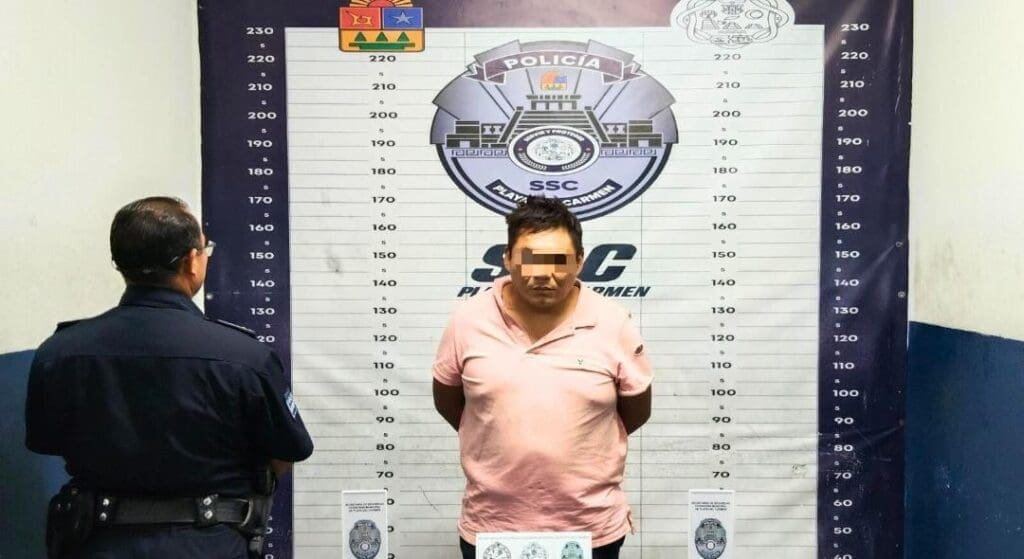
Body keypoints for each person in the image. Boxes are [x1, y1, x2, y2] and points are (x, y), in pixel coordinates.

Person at [25, 197, 314, 558]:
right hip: (209, 545)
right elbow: (286, 453)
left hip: (97, 543)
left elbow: (46, 441)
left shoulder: (59, 352)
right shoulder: (245, 356)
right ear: (191, 261)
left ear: (120, 263)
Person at [432, 196, 653, 559]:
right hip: (493, 527)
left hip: (589, 528)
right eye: (529, 259)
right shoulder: (467, 321)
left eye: (558, 261)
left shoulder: (613, 323)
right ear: (507, 259)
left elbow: (636, 411)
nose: (542, 274)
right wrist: (500, 434)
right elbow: (449, 402)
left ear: (580, 261)